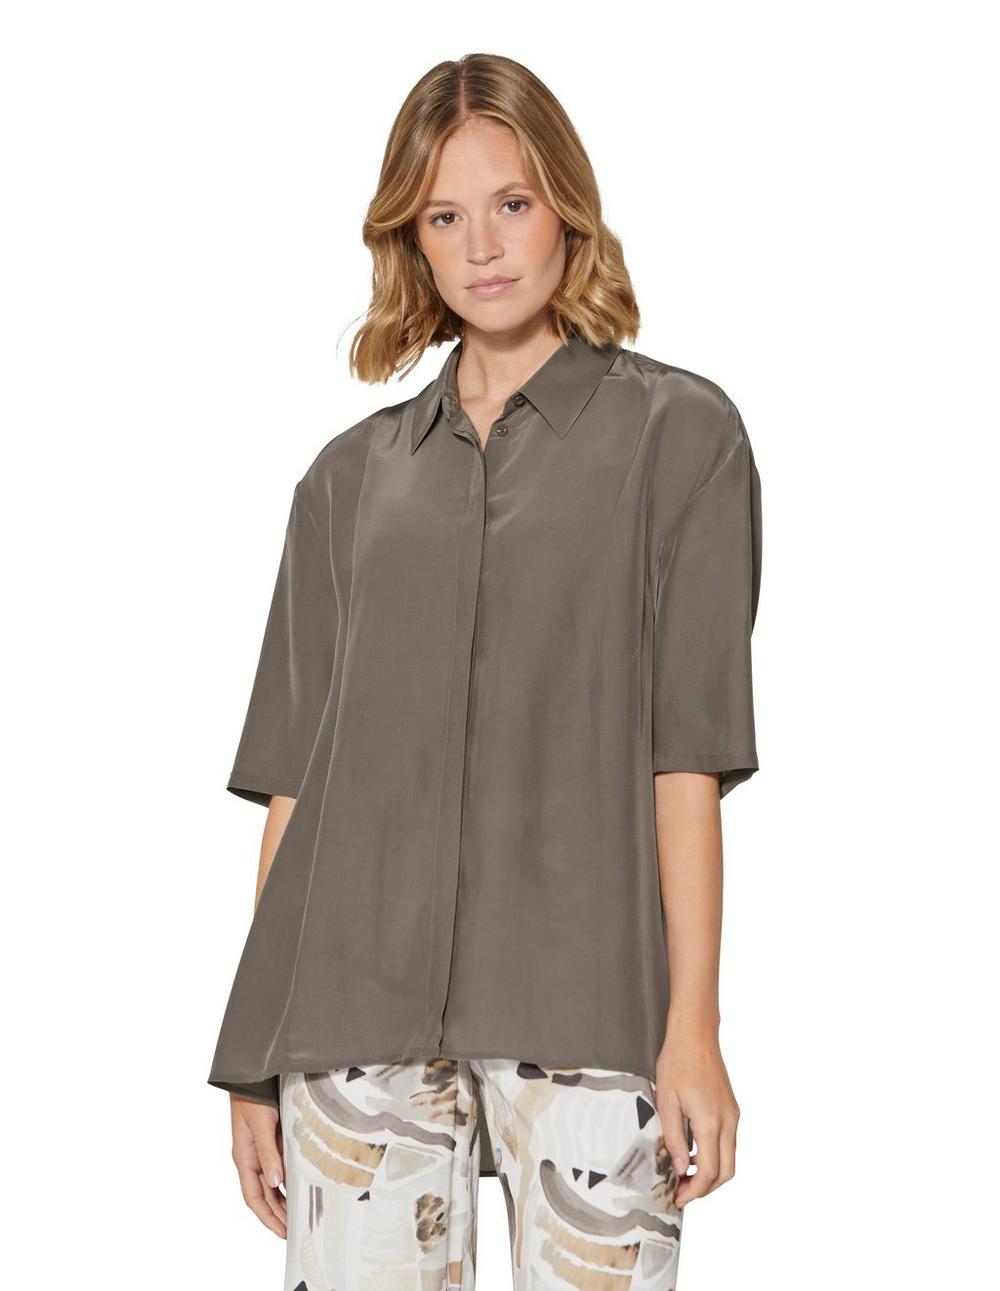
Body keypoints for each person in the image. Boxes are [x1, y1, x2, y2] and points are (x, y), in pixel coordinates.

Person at [207, 52, 762, 1291]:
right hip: (351, 1014)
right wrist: (255, 1054)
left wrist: (694, 1027)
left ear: (564, 201)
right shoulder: (346, 481)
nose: (483, 247)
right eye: (443, 218)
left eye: (510, 203)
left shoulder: (681, 438)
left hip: (588, 1005)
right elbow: (296, 782)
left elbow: (687, 754)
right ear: (410, 240)